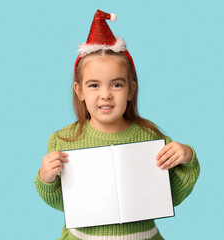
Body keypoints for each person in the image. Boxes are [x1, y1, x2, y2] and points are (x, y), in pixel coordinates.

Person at [35, 9, 200, 240]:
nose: (106, 95)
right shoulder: (63, 140)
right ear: (79, 90)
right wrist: (46, 177)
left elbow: (172, 195)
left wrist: (187, 156)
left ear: (131, 89)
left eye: (117, 85)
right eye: (94, 85)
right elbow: (62, 203)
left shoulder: (149, 135)